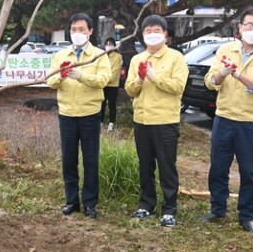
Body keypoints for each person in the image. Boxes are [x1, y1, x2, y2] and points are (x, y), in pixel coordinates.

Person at [201, 7, 253, 233]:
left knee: (249, 171)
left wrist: (237, 74)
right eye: (249, 25)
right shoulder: (226, 49)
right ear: (240, 27)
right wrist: (223, 74)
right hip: (224, 118)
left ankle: (247, 215)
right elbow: (210, 81)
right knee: (218, 168)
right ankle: (217, 209)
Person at [124, 15, 188, 227]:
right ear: (142, 35)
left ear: (165, 35)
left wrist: (154, 76)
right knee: (145, 165)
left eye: (156, 31)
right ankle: (146, 204)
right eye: (148, 31)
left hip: (165, 120)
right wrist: (140, 79)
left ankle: (169, 208)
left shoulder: (175, 58)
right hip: (142, 120)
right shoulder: (136, 59)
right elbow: (130, 90)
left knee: (166, 165)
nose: (152, 35)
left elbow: (178, 87)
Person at [47, 13, 111, 219]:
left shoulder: (99, 55)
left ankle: (90, 203)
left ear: (90, 31)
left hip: (90, 114)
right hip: (66, 114)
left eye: (81, 29)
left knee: (90, 160)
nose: (77, 33)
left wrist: (80, 75)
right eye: (74, 30)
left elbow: (103, 79)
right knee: (68, 160)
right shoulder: (61, 55)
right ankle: (72, 201)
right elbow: (49, 81)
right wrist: (61, 75)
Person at [100, 37, 123, 131]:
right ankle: (100, 121)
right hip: (102, 84)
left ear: (114, 46)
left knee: (112, 104)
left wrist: (102, 79)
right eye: (107, 44)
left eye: (110, 44)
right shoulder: (102, 55)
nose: (108, 46)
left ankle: (111, 122)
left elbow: (115, 73)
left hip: (112, 84)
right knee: (102, 103)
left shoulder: (118, 56)